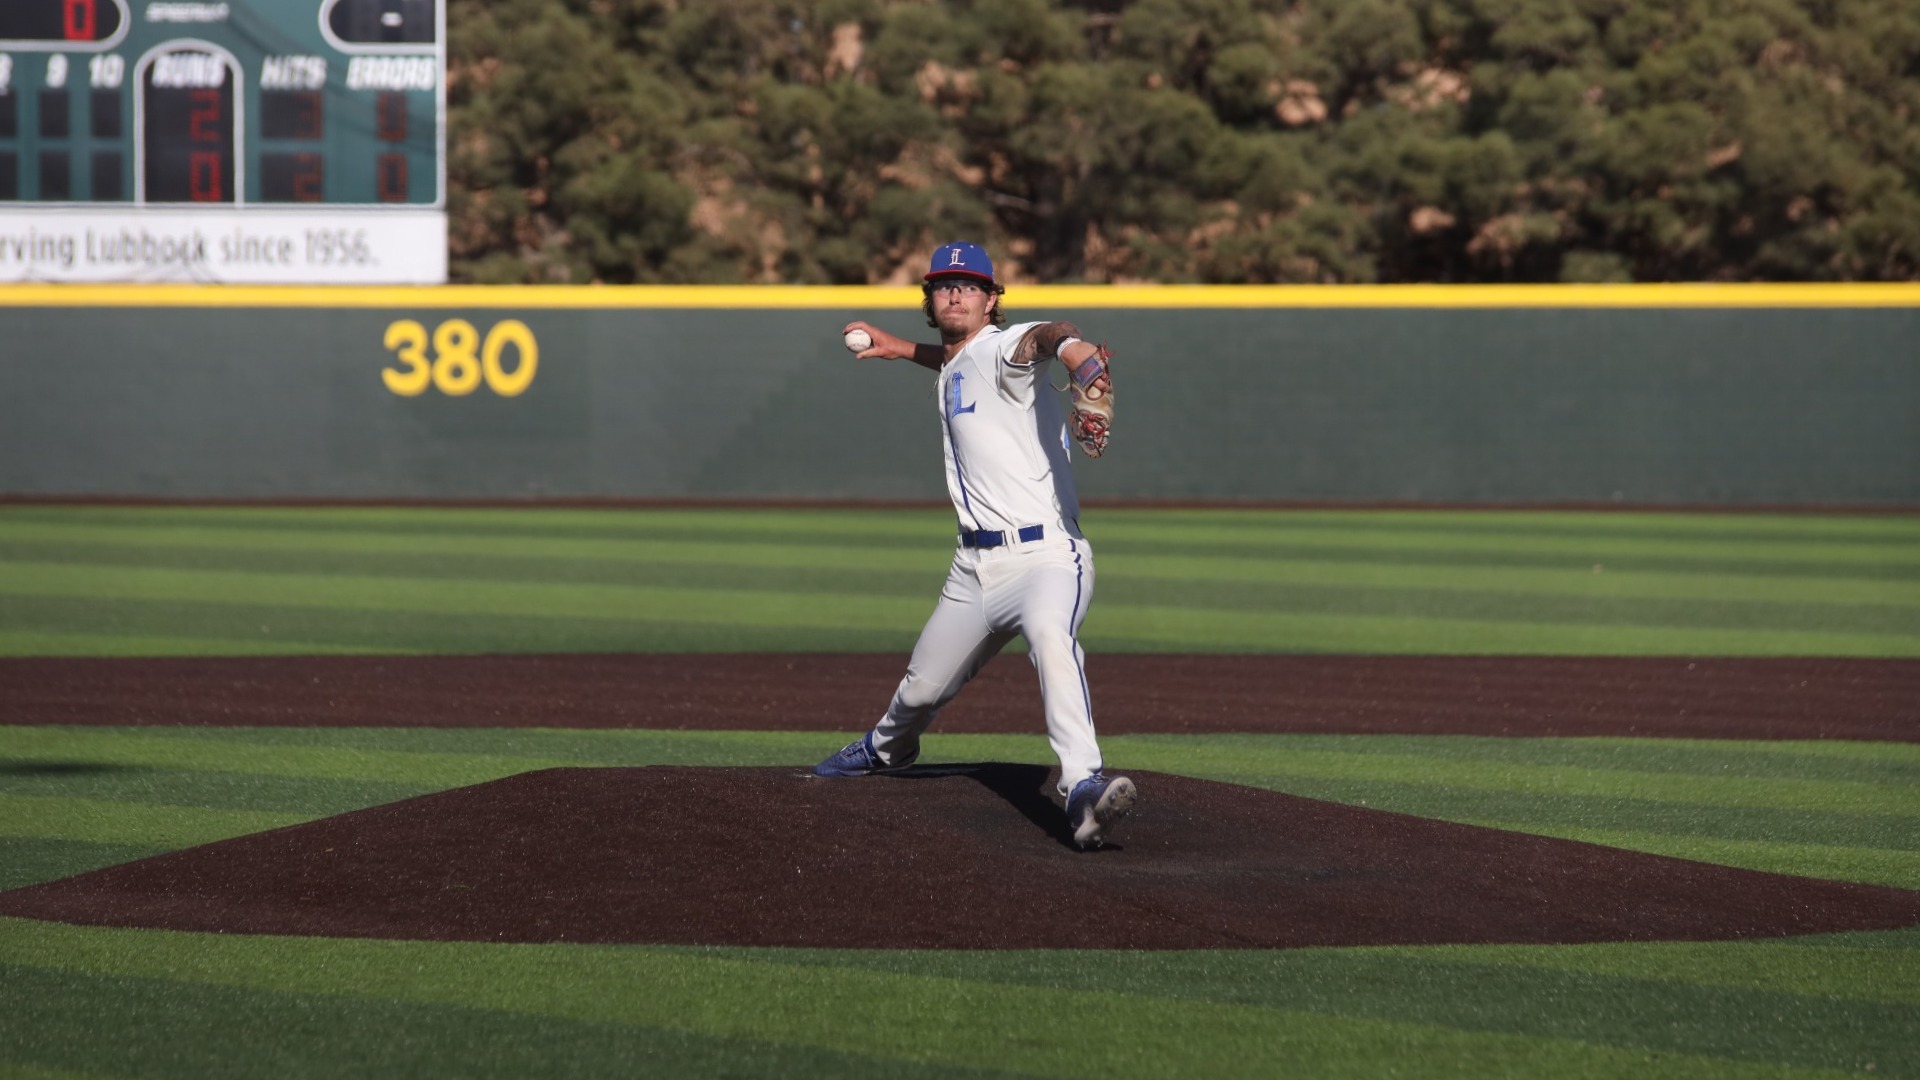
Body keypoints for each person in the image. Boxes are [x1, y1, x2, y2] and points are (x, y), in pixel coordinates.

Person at [812, 241, 1136, 850]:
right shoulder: (963, 359)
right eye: (943, 285)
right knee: (921, 690)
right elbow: (957, 363)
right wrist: (902, 348)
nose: (955, 292)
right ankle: (887, 751)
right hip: (973, 569)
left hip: (1045, 559)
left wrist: (1071, 350)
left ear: (992, 300)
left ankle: (1084, 787)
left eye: (969, 285)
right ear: (931, 301)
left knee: (1051, 639)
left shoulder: (1010, 350)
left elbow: (1047, 337)